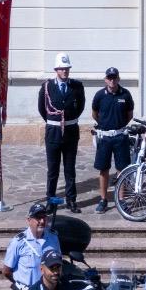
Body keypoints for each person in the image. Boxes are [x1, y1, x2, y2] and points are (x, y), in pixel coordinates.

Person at [38, 53, 86, 210]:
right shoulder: (47, 87)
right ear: (56, 70)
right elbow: (42, 109)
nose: (64, 71)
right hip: (53, 132)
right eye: (61, 69)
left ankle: (71, 200)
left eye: (67, 68)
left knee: (70, 169)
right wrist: (56, 122)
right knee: (53, 170)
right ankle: (51, 201)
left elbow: (80, 106)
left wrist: (69, 119)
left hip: (71, 132)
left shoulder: (77, 86)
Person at [89, 66, 135, 214]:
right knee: (103, 169)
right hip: (104, 137)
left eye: (114, 77)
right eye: (109, 78)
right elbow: (95, 113)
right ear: (105, 79)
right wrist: (104, 125)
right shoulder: (99, 95)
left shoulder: (125, 94)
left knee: (122, 169)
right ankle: (103, 199)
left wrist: (118, 125)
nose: (112, 80)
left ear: (118, 79)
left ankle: (121, 200)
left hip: (120, 136)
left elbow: (129, 115)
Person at [1, 202, 59, 290]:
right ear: (29, 220)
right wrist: (19, 285)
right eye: (38, 218)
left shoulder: (53, 238)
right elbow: (6, 271)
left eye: (44, 217)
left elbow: (58, 263)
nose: (42, 221)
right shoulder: (18, 242)